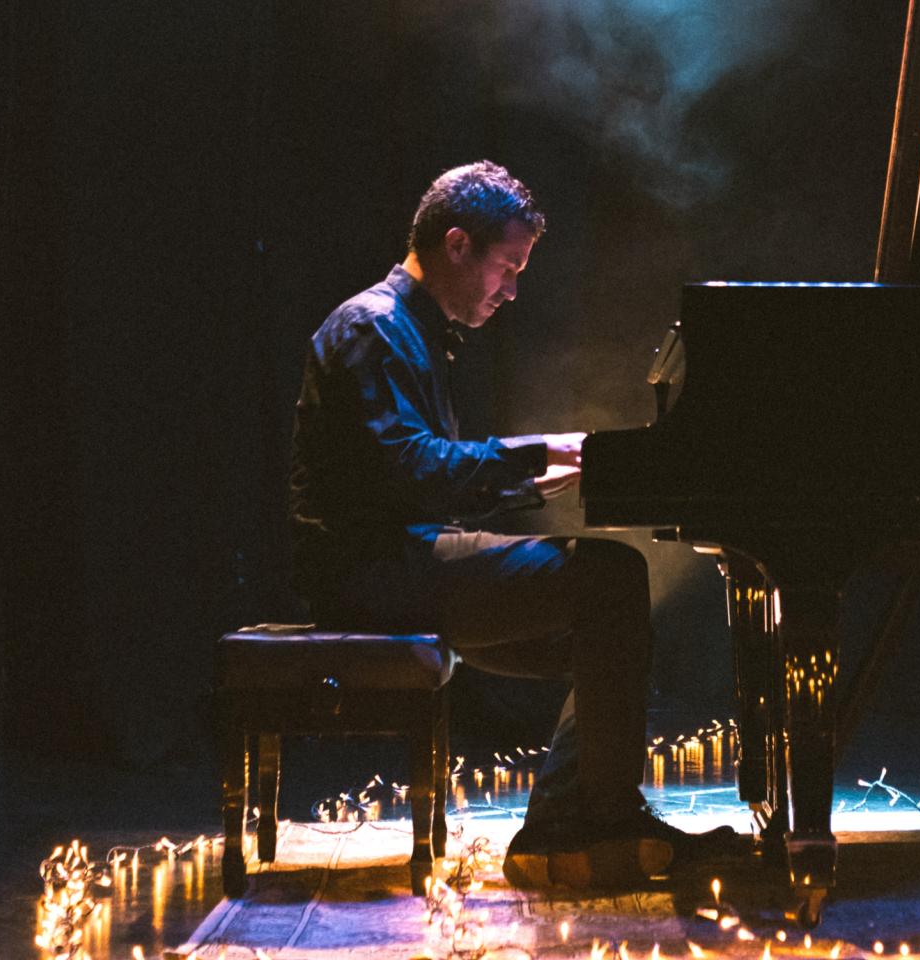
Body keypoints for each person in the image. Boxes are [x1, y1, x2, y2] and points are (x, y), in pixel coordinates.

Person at [289, 160, 735, 890]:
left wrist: (531, 475)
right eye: (508, 266)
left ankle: (567, 829)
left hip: (396, 560)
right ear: (457, 245)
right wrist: (532, 453)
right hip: (368, 574)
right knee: (611, 578)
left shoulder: (411, 331)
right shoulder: (373, 327)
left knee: (606, 627)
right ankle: (580, 821)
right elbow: (411, 471)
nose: (513, 289)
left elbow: (416, 483)